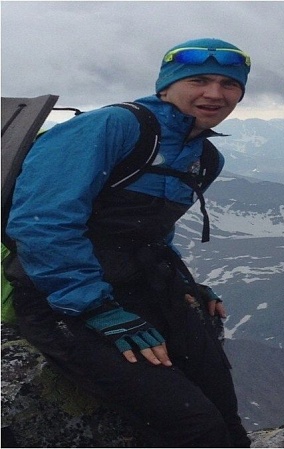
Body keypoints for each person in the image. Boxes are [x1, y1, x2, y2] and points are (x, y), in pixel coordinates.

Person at [5, 37, 252, 448]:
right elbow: (40, 223)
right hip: (61, 302)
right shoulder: (113, 127)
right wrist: (96, 308)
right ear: (166, 87)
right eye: (199, 80)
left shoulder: (204, 157)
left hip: (142, 289)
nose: (215, 93)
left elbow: (147, 232)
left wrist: (184, 282)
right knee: (195, 427)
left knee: (227, 420)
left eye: (229, 84)